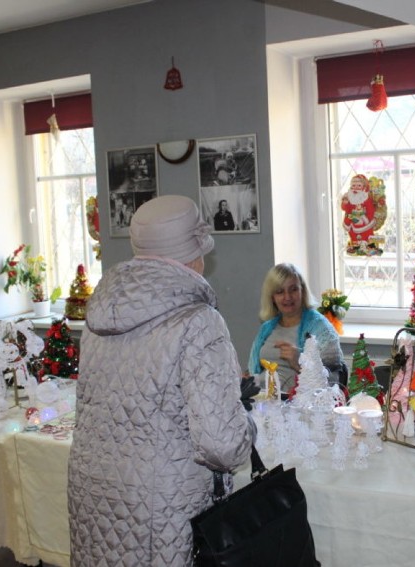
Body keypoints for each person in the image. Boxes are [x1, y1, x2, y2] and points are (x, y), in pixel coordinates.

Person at [68, 194, 256, 566]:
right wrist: (248, 423)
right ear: (194, 253)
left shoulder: (98, 318)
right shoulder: (198, 322)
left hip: (94, 490)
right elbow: (223, 445)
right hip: (163, 503)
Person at [248, 263, 344, 394]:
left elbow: (333, 381)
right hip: (262, 401)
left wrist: (301, 362)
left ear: (302, 291)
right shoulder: (266, 329)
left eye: (293, 289)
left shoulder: (321, 328)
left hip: (298, 405)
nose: (287, 297)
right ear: (272, 298)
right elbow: (254, 370)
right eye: (280, 291)